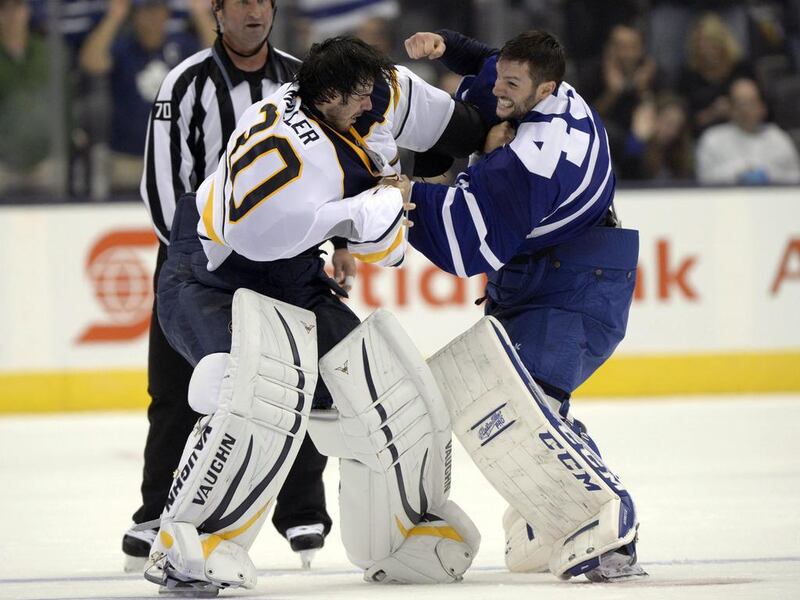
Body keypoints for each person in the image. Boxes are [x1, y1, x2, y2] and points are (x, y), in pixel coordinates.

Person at [144, 36, 483, 594]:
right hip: (210, 274)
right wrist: (385, 199)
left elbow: (430, 117)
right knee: (252, 390)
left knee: (378, 389)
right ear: (326, 97)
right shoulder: (291, 169)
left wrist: (485, 131)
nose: (372, 101)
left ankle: (398, 536)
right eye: (360, 94)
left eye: (373, 87)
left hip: (290, 272)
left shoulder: (344, 93)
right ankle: (189, 543)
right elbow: (373, 249)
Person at [404, 29, 645, 581]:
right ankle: (548, 519)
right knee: (513, 402)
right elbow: (494, 63)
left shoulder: (535, 156)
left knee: (529, 406)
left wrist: (403, 194)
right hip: (551, 271)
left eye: (513, 85)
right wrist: (449, 46)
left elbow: (468, 241)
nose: (501, 90)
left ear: (545, 89)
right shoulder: (539, 87)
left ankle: (609, 519)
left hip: (576, 282)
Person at [123, 0, 336, 572]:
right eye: (238, 1)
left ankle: (301, 511)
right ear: (216, 12)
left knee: (296, 375)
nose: (253, 11)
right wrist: (201, 255)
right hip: (196, 263)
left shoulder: (299, 80)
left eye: (262, 1)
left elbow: (333, 171)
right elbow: (162, 183)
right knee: (177, 389)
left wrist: (334, 244)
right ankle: (155, 512)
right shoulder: (185, 82)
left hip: (282, 261)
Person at [78, 0, 212, 193]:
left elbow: (217, 56)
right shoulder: (123, 49)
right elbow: (91, 62)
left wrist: (199, 14)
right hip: (128, 160)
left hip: (176, 161)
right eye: (145, 12)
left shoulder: (181, 46)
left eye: (157, 11)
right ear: (135, 16)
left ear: (167, 15)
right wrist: (114, 17)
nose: (152, 19)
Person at [696, 77, 800, 185]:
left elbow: (795, 177)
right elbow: (705, 179)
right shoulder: (713, 139)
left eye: (751, 102)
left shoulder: (778, 138)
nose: (745, 109)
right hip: (726, 200)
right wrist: (739, 172)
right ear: (730, 108)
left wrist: (768, 174)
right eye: (740, 103)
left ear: (762, 107)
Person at [0, 0, 57, 193]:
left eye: (17, 8)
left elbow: (61, 100)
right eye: (4, 9)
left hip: (43, 158)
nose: (12, 15)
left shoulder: (47, 53)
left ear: (27, 11)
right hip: (3, 162)